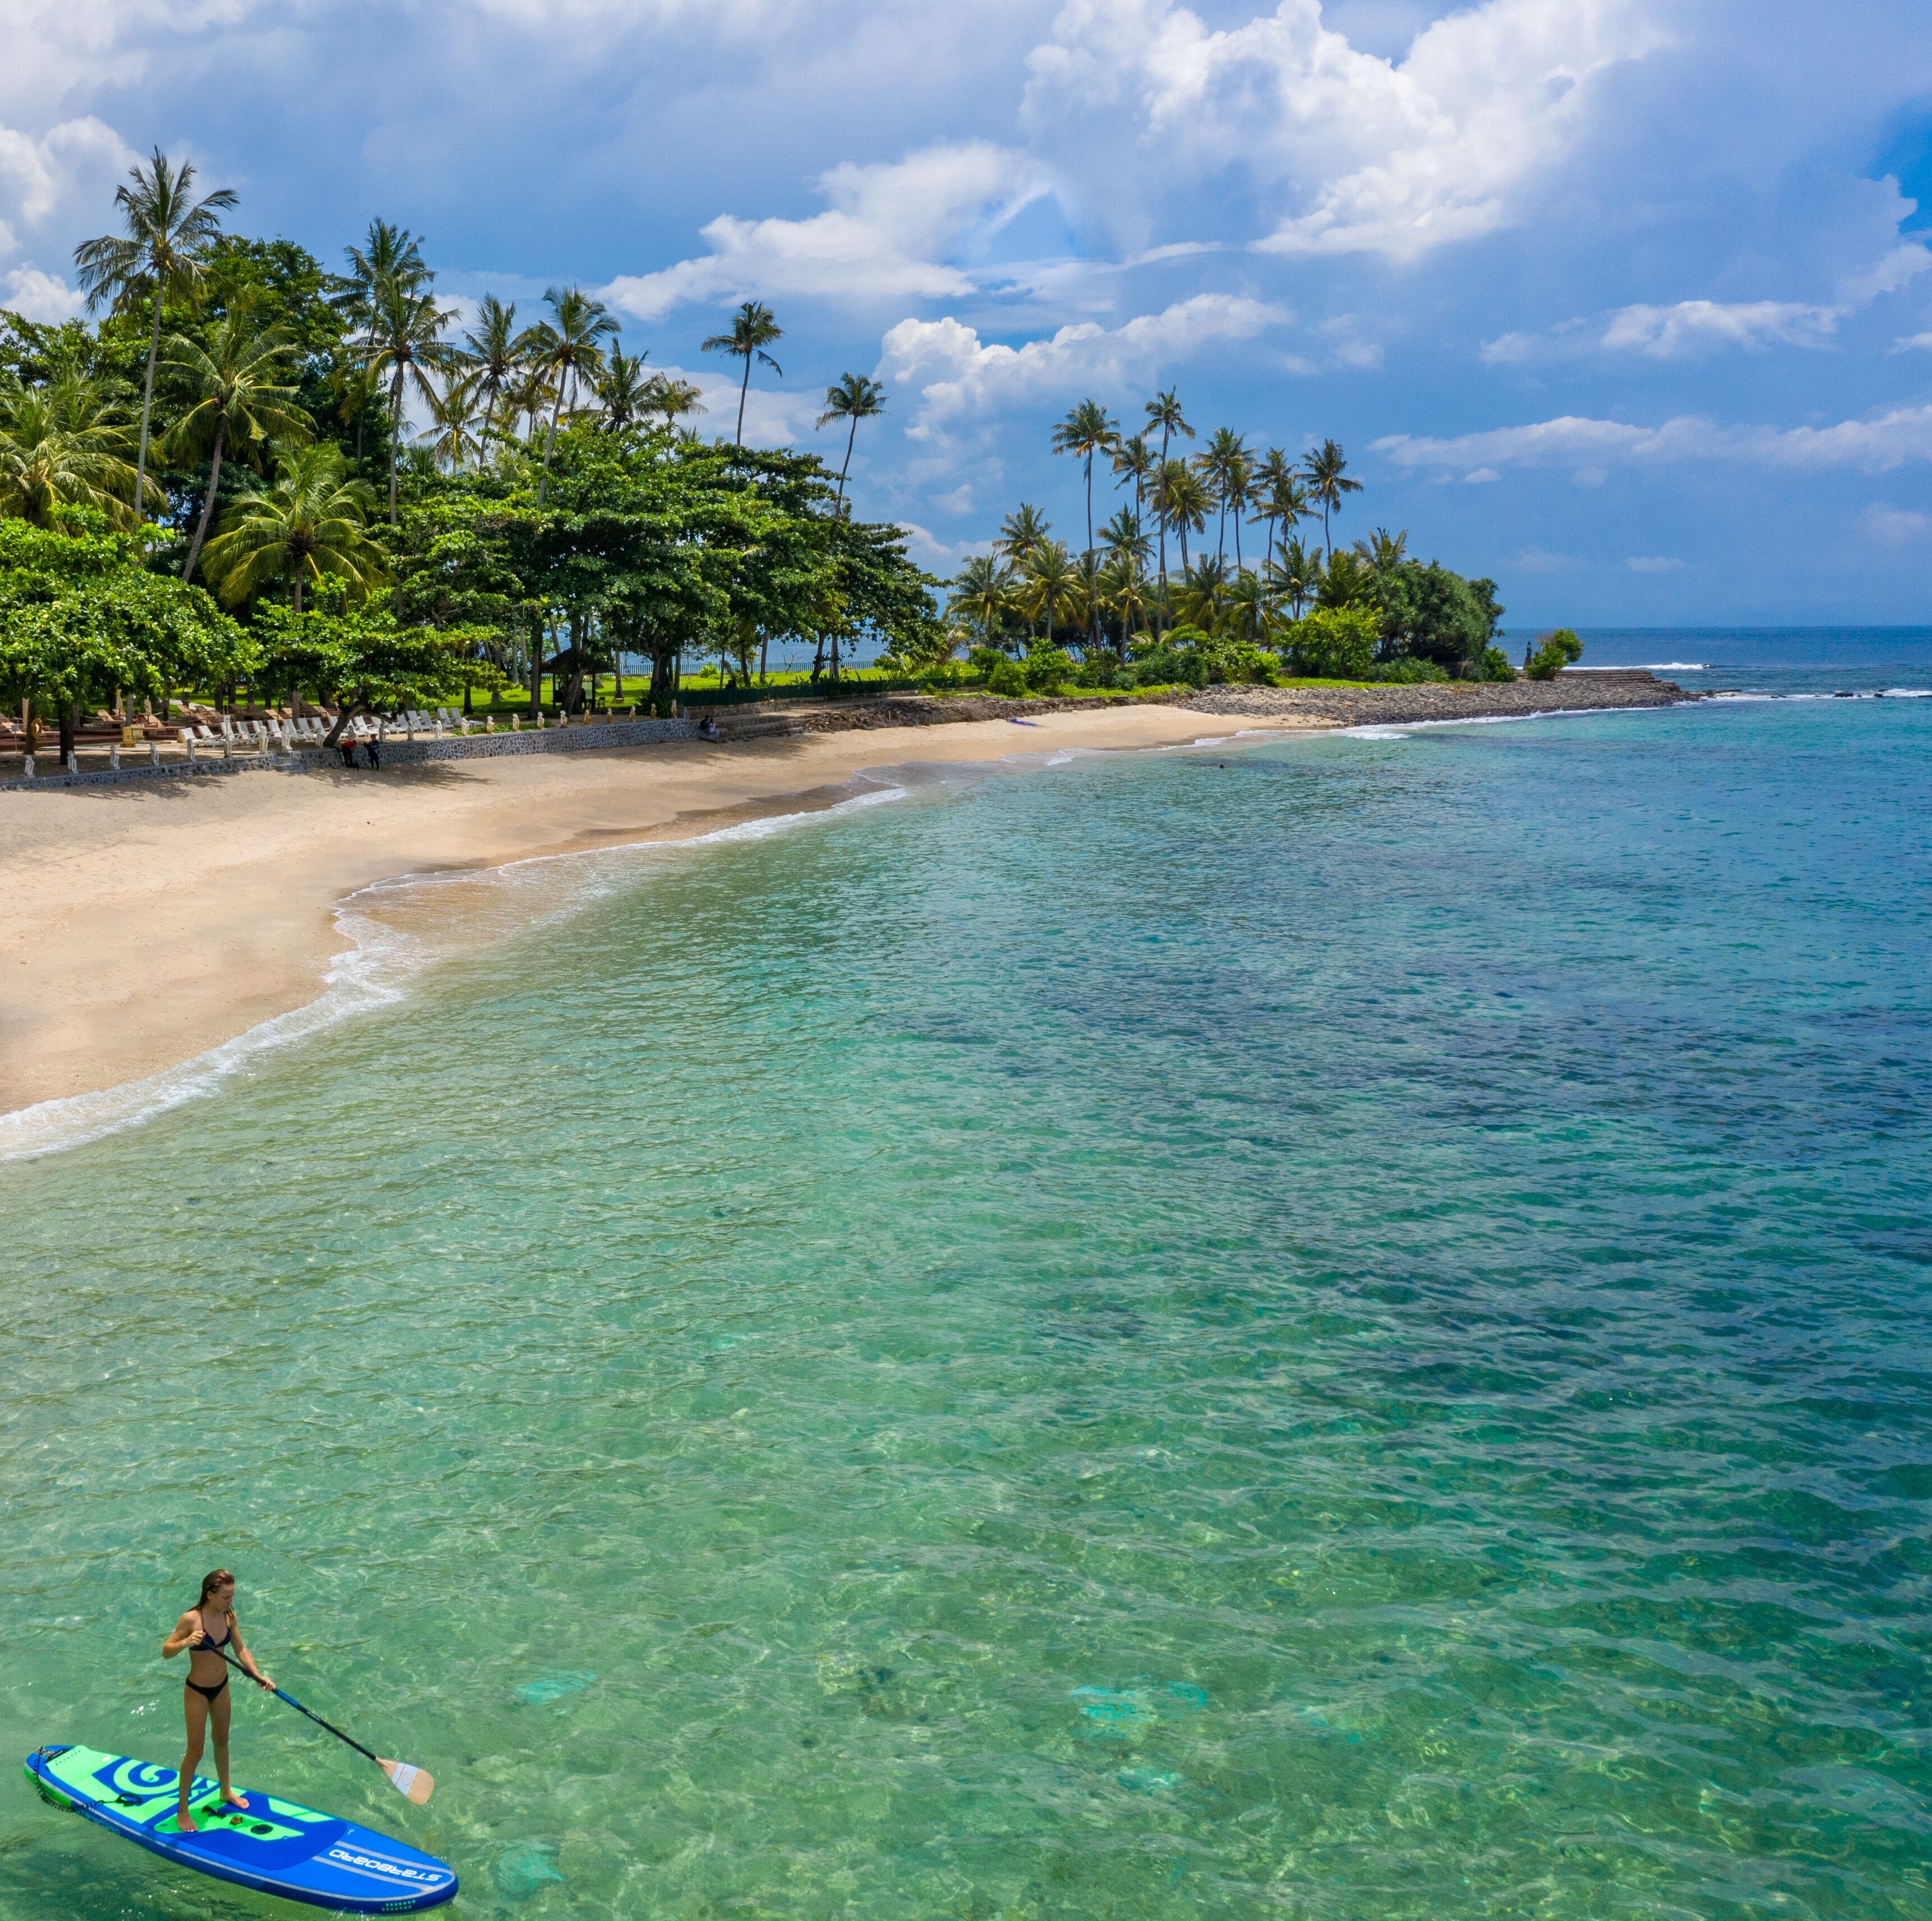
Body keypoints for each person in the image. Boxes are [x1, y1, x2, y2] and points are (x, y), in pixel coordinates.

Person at [162, 1570, 275, 1832]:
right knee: (196, 1751)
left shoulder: (228, 1616)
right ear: (210, 1594)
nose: (230, 1601)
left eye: (232, 1596)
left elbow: (240, 1649)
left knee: (222, 1740)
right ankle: (182, 1810)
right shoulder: (191, 1619)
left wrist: (258, 1675)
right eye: (226, 1596)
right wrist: (187, 1642)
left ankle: (226, 1791)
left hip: (222, 1687)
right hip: (198, 1691)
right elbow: (166, 1651)